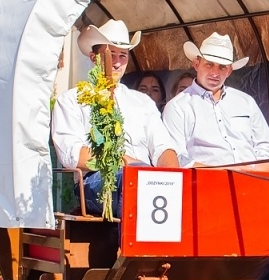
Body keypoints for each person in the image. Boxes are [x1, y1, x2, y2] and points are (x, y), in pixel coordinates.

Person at [50, 20, 179, 217]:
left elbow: (163, 146)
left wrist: (173, 176)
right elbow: (73, 156)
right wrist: (124, 161)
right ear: (94, 58)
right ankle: (132, 245)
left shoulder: (142, 101)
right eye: (110, 55)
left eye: (123, 56)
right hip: (96, 180)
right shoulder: (71, 100)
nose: (117, 63)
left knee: (181, 185)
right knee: (128, 181)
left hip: (146, 178)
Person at [162, 32, 269, 167]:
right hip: (207, 184)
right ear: (196, 64)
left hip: (255, 181)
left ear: (229, 71)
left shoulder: (246, 102)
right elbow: (178, 159)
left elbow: (268, 149)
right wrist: (225, 172)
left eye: (222, 67)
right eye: (209, 64)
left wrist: (256, 172)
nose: (215, 73)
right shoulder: (178, 107)